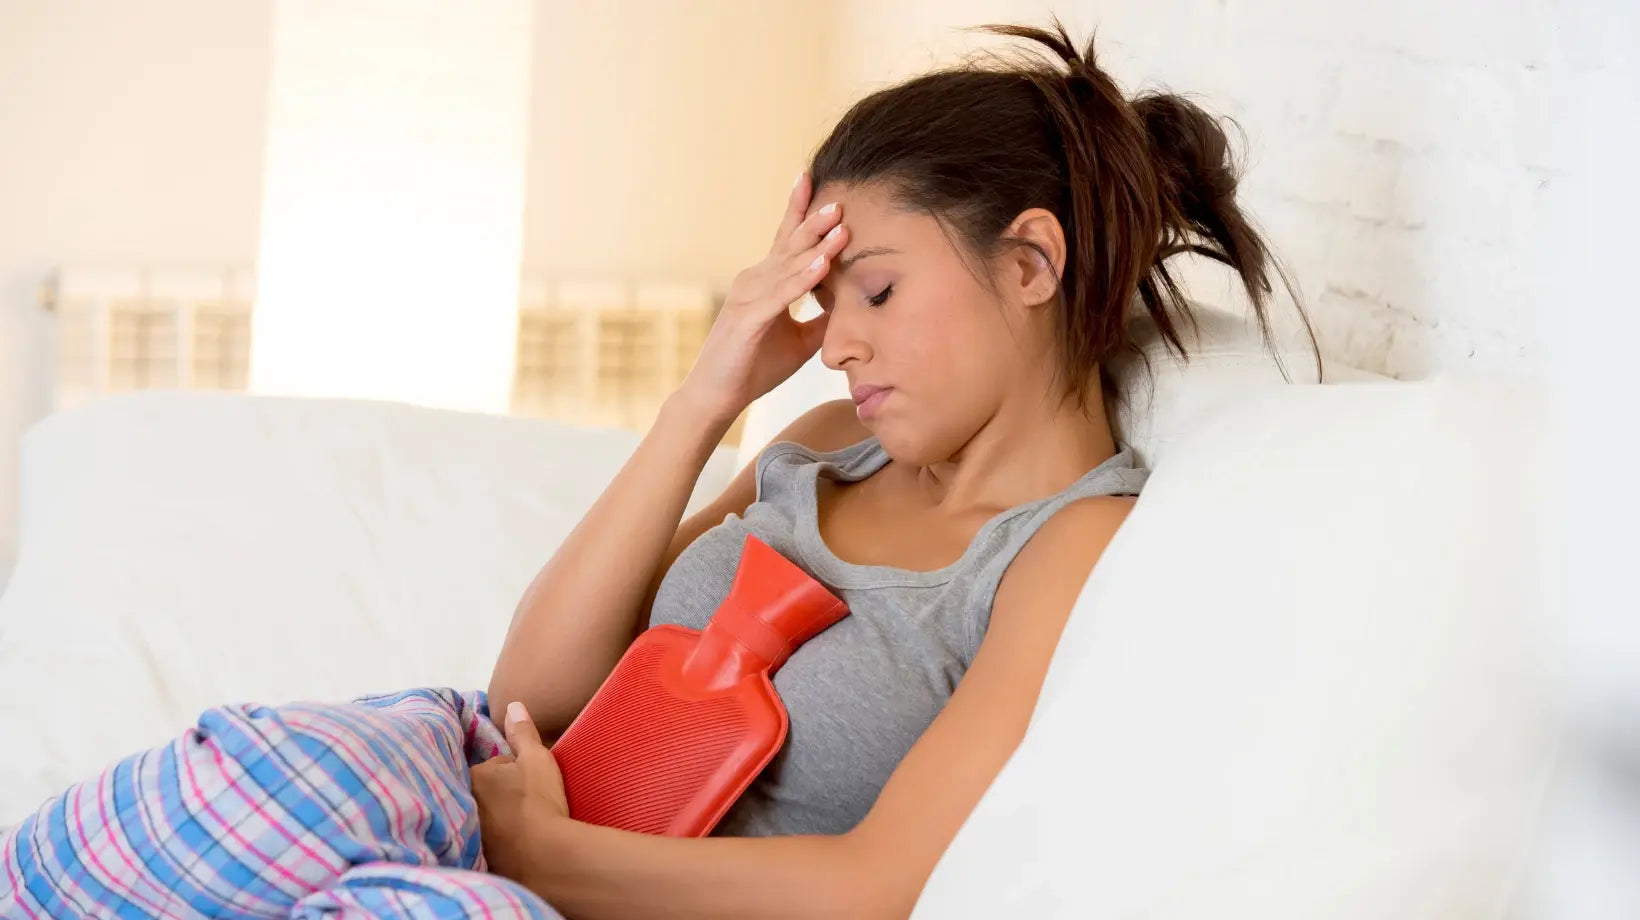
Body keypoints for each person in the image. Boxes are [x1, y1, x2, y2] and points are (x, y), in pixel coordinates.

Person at [477, 20, 1312, 919]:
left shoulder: (1068, 548)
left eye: (876, 292)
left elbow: (879, 886)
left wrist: (545, 859)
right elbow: (532, 697)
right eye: (824, 302)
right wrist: (702, 402)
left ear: (1032, 262)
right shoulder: (829, 442)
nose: (836, 344)